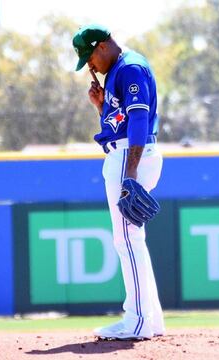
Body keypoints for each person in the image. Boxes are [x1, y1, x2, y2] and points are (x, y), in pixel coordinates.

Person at [72, 24, 165, 340]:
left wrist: (130, 173)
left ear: (101, 46)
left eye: (90, 58)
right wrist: (101, 107)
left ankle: (137, 320)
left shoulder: (130, 67)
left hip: (131, 155)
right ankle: (151, 320)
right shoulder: (116, 72)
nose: (90, 66)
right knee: (130, 239)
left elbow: (139, 119)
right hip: (125, 152)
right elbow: (123, 119)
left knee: (127, 241)